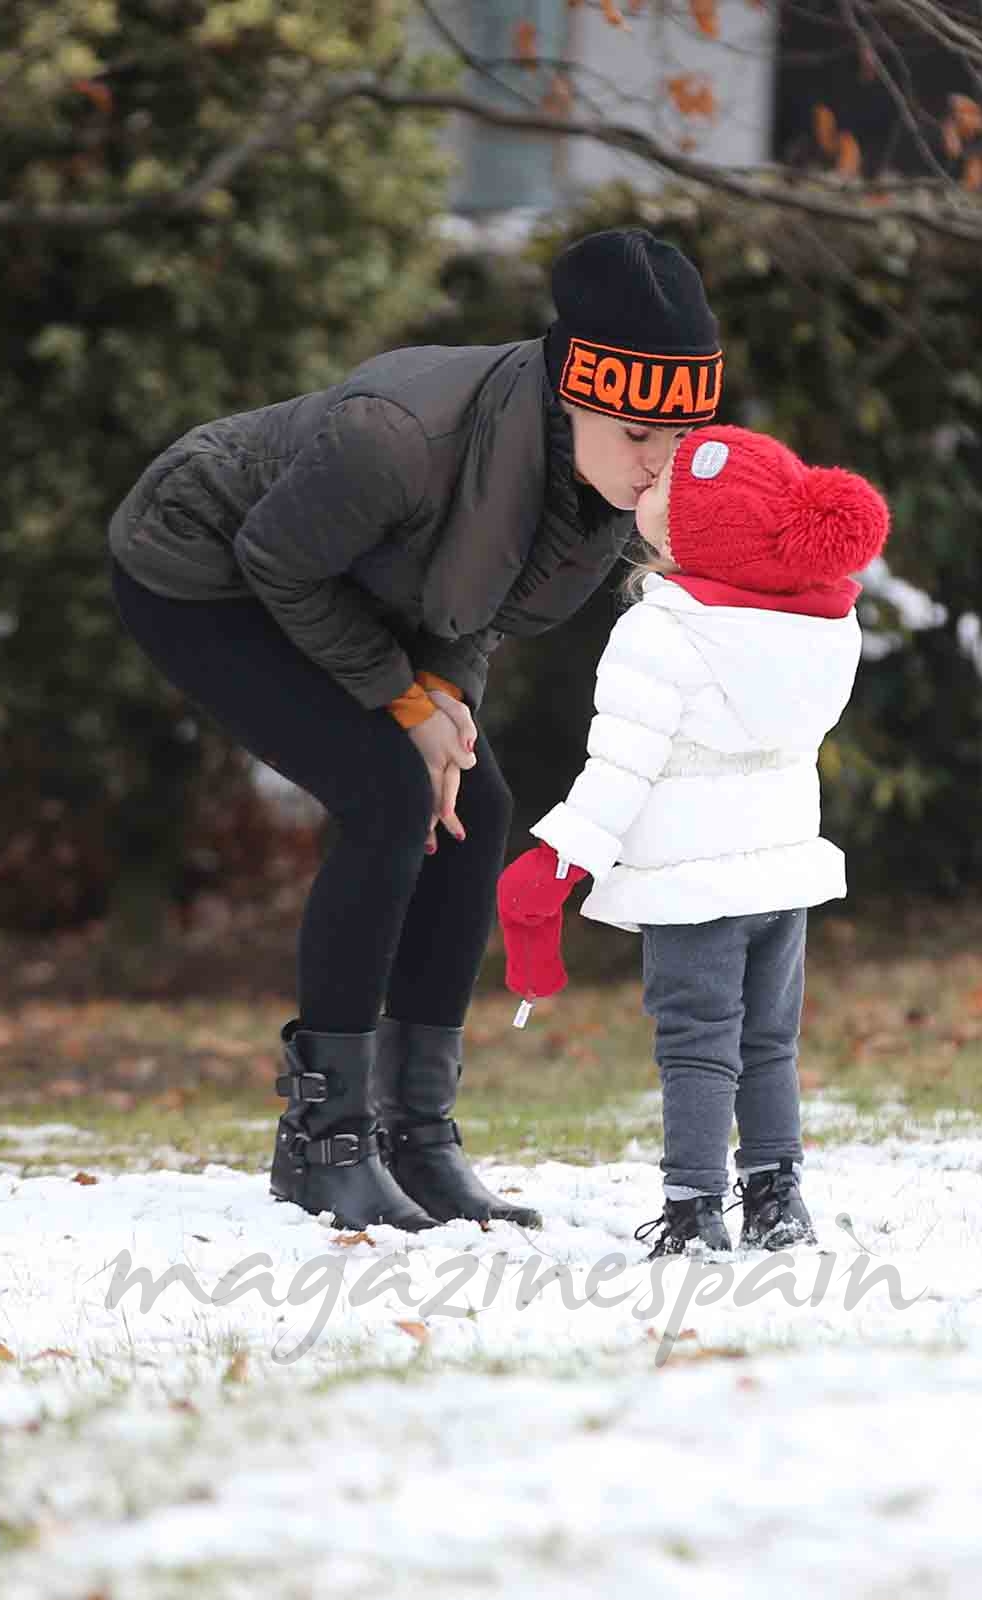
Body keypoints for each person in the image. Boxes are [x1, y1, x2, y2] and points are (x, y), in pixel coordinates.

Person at [106, 227, 724, 1234]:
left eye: (676, 440)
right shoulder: (398, 437)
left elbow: (471, 597)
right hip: (203, 570)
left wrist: (446, 705)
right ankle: (326, 1144)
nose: (660, 468)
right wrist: (406, 705)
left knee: (475, 803)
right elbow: (277, 564)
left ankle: (415, 1136)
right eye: (639, 439)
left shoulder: (593, 472)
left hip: (346, 591)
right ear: (576, 394)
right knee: (387, 795)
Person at [497, 425, 889, 1259]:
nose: (644, 485)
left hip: (691, 885)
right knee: (768, 1041)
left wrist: (561, 854)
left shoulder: (660, 635)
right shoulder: (826, 630)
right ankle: (778, 1195)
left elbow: (619, 769)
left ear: (690, 532)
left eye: (661, 486)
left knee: (696, 1046)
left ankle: (692, 1208)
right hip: (782, 874)